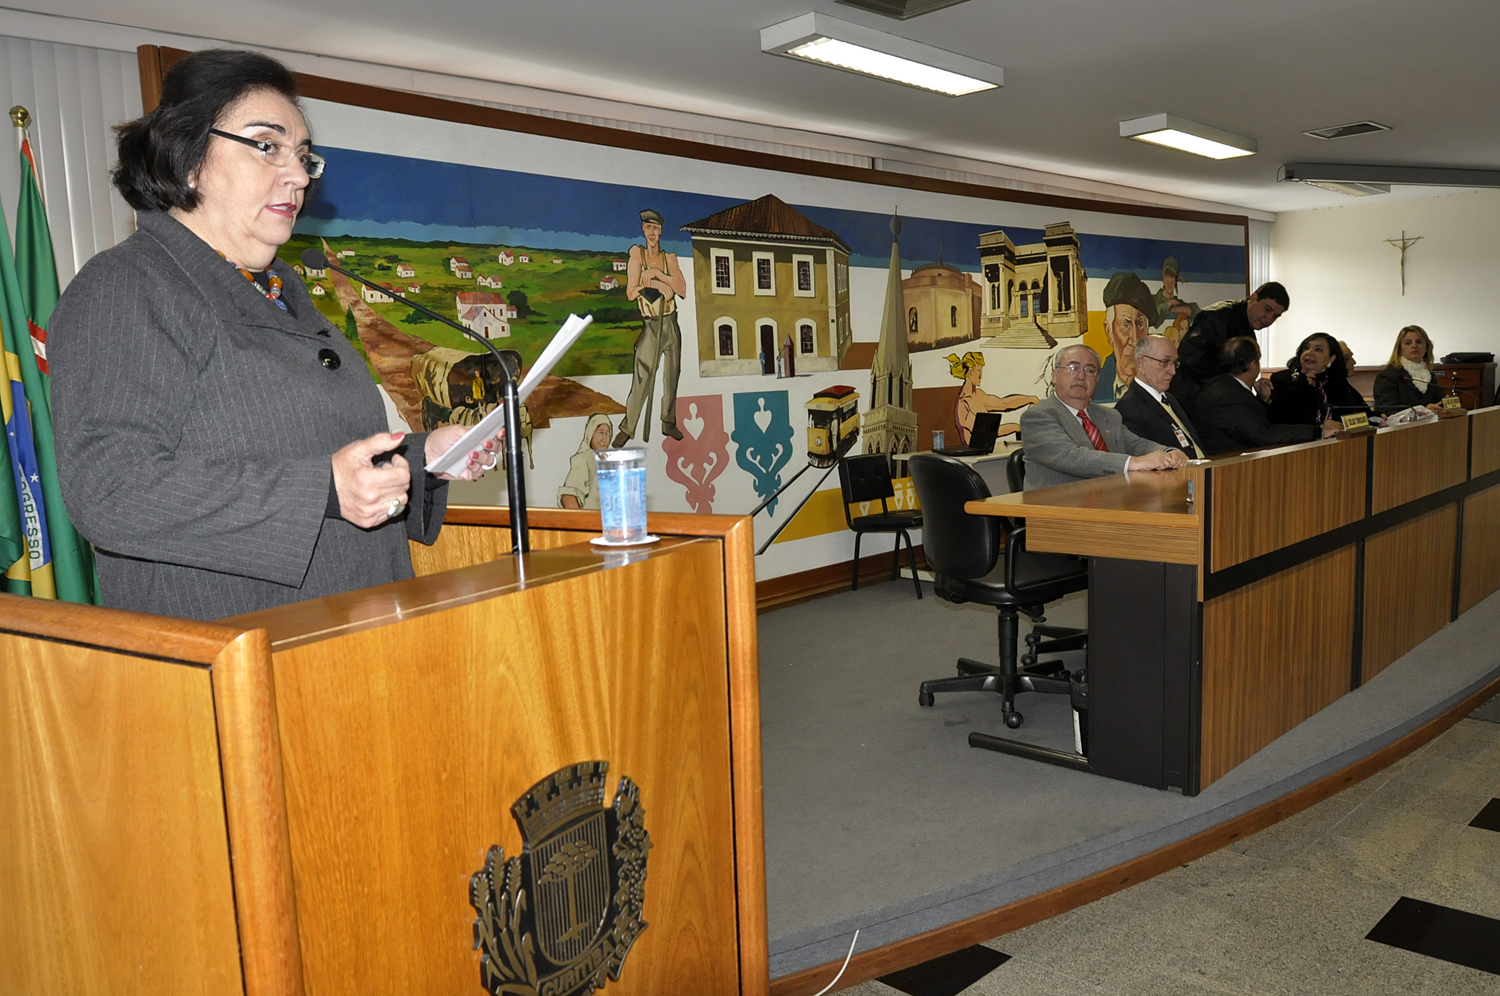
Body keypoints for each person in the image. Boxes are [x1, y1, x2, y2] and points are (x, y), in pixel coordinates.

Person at [48, 49, 500, 621]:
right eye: (267, 146)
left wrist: (421, 457)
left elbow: (307, 450)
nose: (298, 175)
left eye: (303, 156)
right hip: (237, 638)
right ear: (187, 159)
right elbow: (112, 490)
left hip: (353, 621)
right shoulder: (127, 286)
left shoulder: (281, 289)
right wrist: (324, 490)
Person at [1020, 344, 1185, 489]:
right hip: (1058, 507)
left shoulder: (1108, 415)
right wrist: (1134, 463)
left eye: (1090, 370)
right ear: (1055, 375)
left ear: (1097, 379)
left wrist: (1168, 453)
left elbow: (1134, 444)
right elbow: (1072, 457)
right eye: (1073, 368)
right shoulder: (1037, 417)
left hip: (1112, 500)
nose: (1081, 376)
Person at [614, 208, 687, 446]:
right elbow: (630, 292)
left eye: (656, 228)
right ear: (643, 230)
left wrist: (658, 274)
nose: (652, 233)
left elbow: (682, 289)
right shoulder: (637, 256)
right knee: (642, 375)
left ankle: (668, 421)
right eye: (648, 228)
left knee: (672, 374)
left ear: (661, 231)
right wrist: (654, 285)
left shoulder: (669, 259)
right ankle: (628, 427)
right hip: (651, 324)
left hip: (670, 322)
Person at [1193, 337, 1339, 456]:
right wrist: (1318, 430)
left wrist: (1263, 400)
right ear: (1252, 365)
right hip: (1229, 467)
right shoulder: (1230, 395)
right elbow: (1263, 434)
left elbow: (1252, 423)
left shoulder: (1225, 385)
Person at [1170, 281, 1290, 406]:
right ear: (1253, 298)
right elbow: (1190, 357)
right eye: (1267, 309)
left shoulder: (1246, 329)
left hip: (1212, 397)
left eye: (1276, 316)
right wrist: (1233, 380)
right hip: (1191, 397)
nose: (1269, 319)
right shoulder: (1218, 317)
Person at [1114, 335, 1205, 458]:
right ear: (1141, 364)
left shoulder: (1170, 399)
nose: (1173, 371)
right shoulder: (1128, 408)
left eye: (1175, 363)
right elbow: (1144, 456)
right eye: (1165, 362)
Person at [1268, 333, 1370, 427]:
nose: (1309, 352)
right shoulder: (1282, 379)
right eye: (1306, 348)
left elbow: (1354, 413)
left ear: (1331, 358)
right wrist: (1302, 384)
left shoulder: (1337, 381)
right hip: (1301, 439)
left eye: (1319, 350)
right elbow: (1279, 418)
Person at [946, 350, 1035, 444]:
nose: (981, 376)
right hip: (974, 452)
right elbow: (985, 432)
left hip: (987, 449)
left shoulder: (979, 395)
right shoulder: (963, 404)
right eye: (979, 371)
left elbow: (1003, 404)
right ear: (971, 372)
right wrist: (1015, 427)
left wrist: (1030, 399)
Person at [1094, 272, 1157, 401]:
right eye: (1126, 326)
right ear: (1109, 332)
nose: (1134, 340)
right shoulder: (1094, 388)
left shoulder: (1162, 381)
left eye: (1140, 325)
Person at [1374, 325, 1448, 410]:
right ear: (1400, 349)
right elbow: (1387, 411)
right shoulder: (1388, 375)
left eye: (1419, 342)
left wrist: (1447, 404)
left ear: (1426, 347)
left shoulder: (1429, 375)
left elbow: (1439, 403)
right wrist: (1424, 411)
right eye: (1408, 343)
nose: (1414, 346)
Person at [558, 413, 614, 509]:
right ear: (590, 433)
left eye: (607, 434)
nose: (604, 439)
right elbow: (569, 496)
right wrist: (578, 518)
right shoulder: (583, 459)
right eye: (601, 433)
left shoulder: (610, 462)